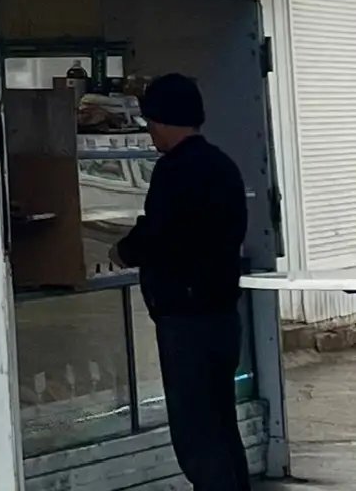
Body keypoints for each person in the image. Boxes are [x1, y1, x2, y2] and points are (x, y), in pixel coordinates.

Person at [115, 74, 250, 491]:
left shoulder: (175, 170)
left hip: (186, 319)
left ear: (162, 120)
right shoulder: (222, 165)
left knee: (196, 433)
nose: (150, 131)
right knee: (221, 425)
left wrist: (123, 251)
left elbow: (159, 233)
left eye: (150, 122)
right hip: (222, 315)